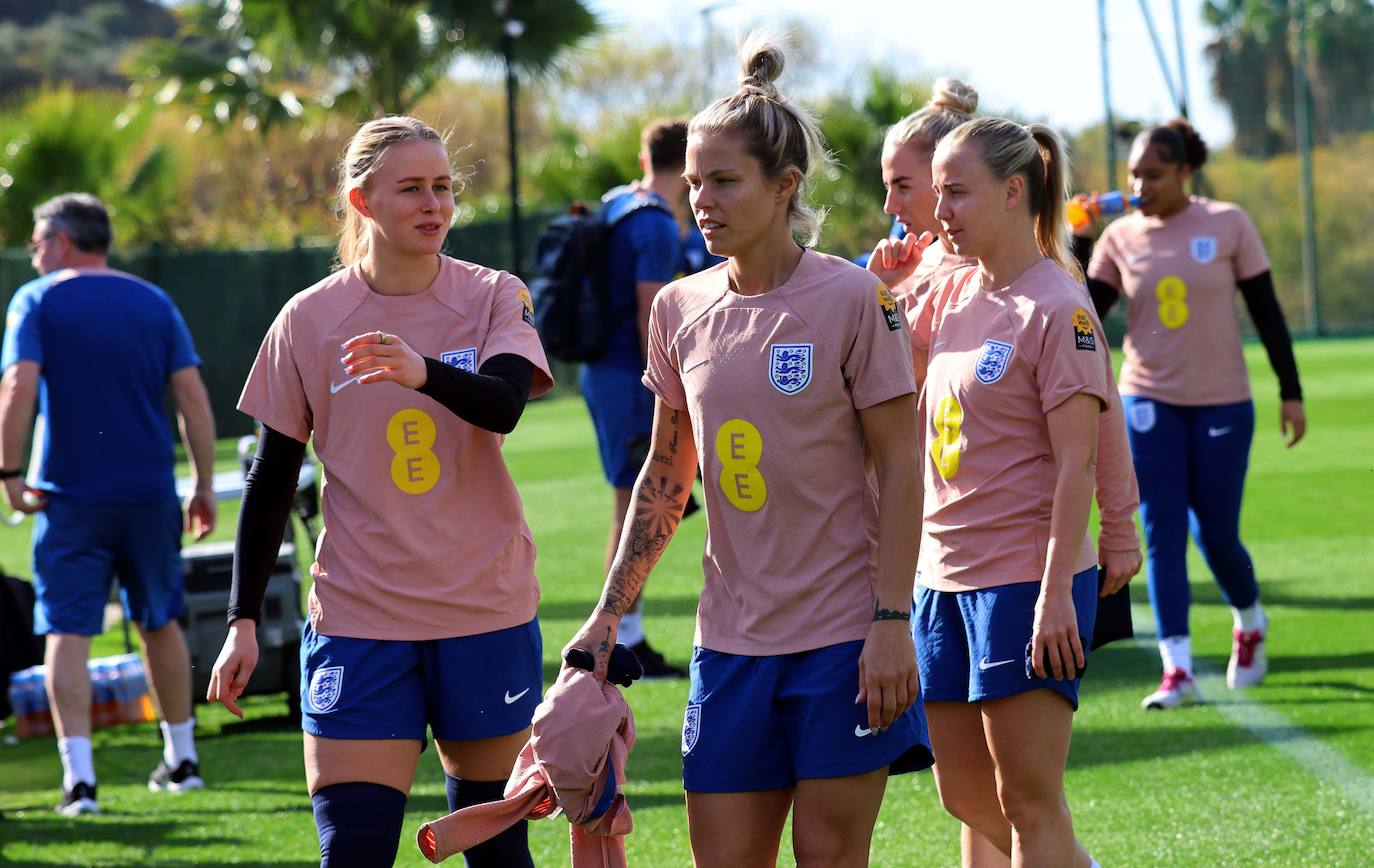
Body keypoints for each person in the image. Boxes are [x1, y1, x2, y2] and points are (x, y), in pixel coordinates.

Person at [565, 33, 932, 868]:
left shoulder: (853, 298)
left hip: (843, 638)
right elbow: (666, 475)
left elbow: (903, 466)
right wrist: (609, 611)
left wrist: (890, 621)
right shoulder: (679, 310)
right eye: (693, 182)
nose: (702, 201)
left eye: (724, 181)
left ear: (784, 186)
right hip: (728, 644)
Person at [205, 116, 553, 868]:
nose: (433, 205)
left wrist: (423, 370)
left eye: (443, 189)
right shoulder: (309, 318)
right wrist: (240, 618)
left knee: (495, 853)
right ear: (362, 203)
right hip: (360, 617)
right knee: (354, 852)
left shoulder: (495, 293)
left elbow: (506, 404)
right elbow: (270, 477)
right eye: (411, 190)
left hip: (481, 608)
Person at [869, 81, 1141, 868]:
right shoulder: (948, 289)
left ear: (1014, 191)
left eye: (956, 193)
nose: (935, 211)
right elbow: (889, 375)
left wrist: (1060, 592)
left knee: (1029, 799)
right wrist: (886, 293)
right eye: (937, 191)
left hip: (1024, 581)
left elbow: (1078, 464)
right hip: (940, 579)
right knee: (963, 793)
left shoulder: (1058, 305)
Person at [0, 193, 218, 816]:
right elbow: (194, 399)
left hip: (67, 497)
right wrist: (202, 483)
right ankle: (183, 760)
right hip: (149, 492)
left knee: (66, 630)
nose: (35, 254)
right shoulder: (152, 300)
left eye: (40, 241)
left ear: (63, 242)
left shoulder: (36, 301)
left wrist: (8, 471)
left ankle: (81, 783)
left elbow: (18, 386)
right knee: (161, 620)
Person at [1080, 119, 1305, 709]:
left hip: (1223, 400)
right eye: (1133, 174)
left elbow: (1267, 310)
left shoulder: (1227, 223)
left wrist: (1291, 390)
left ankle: (1249, 620)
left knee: (1218, 535)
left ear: (1185, 172)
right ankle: (1177, 668)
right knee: (1162, 528)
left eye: (1153, 174)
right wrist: (1076, 238)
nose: (1139, 184)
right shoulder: (1118, 237)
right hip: (1147, 398)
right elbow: (1076, 313)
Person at [579, 118, 697, 678]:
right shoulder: (654, 225)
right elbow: (654, 314)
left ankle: (627, 632)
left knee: (630, 504)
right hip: (632, 377)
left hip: (606, 373)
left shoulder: (617, 203)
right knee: (637, 507)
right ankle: (622, 638)